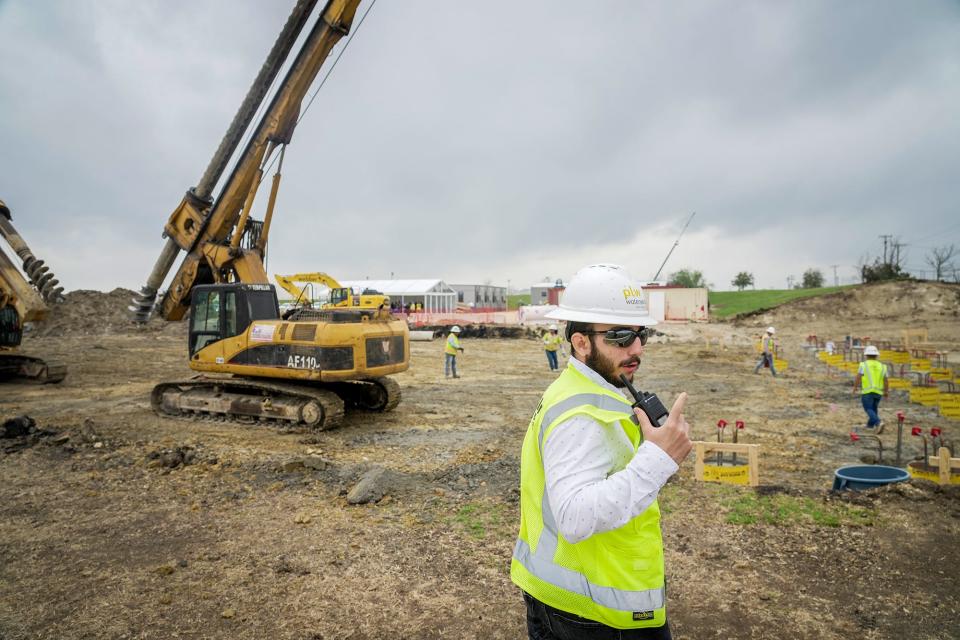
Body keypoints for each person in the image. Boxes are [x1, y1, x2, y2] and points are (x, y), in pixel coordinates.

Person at [511, 264, 692, 639]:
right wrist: (659, 460)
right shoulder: (581, 415)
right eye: (622, 337)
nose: (637, 348)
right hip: (597, 615)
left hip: (568, 597)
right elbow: (574, 517)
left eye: (641, 334)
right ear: (581, 342)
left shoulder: (579, 390)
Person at [854, 345, 888, 433]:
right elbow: (886, 380)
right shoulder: (883, 366)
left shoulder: (863, 364)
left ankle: (878, 422)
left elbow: (858, 377)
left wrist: (855, 387)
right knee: (874, 408)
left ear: (866, 355)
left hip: (867, 391)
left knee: (868, 408)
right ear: (876, 355)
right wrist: (886, 391)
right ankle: (870, 425)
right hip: (878, 392)